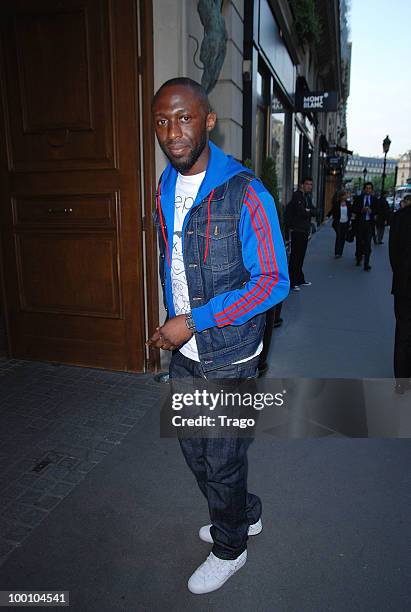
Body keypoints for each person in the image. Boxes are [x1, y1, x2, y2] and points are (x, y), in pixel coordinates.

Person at [147, 78, 289, 594]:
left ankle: (231, 547)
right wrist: (173, 320)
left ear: (208, 120)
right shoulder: (164, 185)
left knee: (223, 459)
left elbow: (273, 280)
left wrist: (196, 319)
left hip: (230, 355)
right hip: (184, 348)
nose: (172, 131)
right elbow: (175, 262)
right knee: (195, 449)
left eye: (184, 118)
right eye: (162, 120)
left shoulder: (247, 191)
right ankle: (242, 513)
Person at [389, 194, 411, 394]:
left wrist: (401, 273)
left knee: (403, 332)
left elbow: (393, 253)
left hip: (403, 284)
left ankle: (401, 382)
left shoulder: (400, 217)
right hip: (403, 283)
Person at [285, 177, 316, 290]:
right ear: (302, 185)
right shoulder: (297, 196)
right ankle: (292, 282)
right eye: (307, 184)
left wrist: (309, 211)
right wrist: (308, 211)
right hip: (297, 230)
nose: (309, 186)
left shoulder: (306, 197)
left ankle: (299, 279)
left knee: (301, 256)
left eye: (311, 184)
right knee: (295, 256)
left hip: (304, 230)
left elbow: (315, 211)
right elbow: (301, 212)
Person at [352, 182, 378, 271]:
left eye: (370, 188)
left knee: (367, 244)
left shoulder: (374, 199)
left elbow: (377, 211)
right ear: (364, 189)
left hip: (369, 224)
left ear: (372, 190)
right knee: (359, 242)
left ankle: (366, 264)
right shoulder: (358, 199)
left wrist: (372, 211)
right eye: (367, 188)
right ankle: (359, 259)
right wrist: (361, 210)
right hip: (360, 223)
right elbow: (353, 209)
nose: (368, 190)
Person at [328, 189, 352, 258]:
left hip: (346, 222)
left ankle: (340, 252)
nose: (346, 196)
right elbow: (332, 210)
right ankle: (337, 252)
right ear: (341, 196)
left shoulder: (348, 203)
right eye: (345, 195)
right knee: (338, 236)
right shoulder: (337, 203)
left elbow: (350, 212)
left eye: (346, 195)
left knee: (343, 237)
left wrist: (351, 220)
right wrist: (327, 216)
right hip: (338, 222)